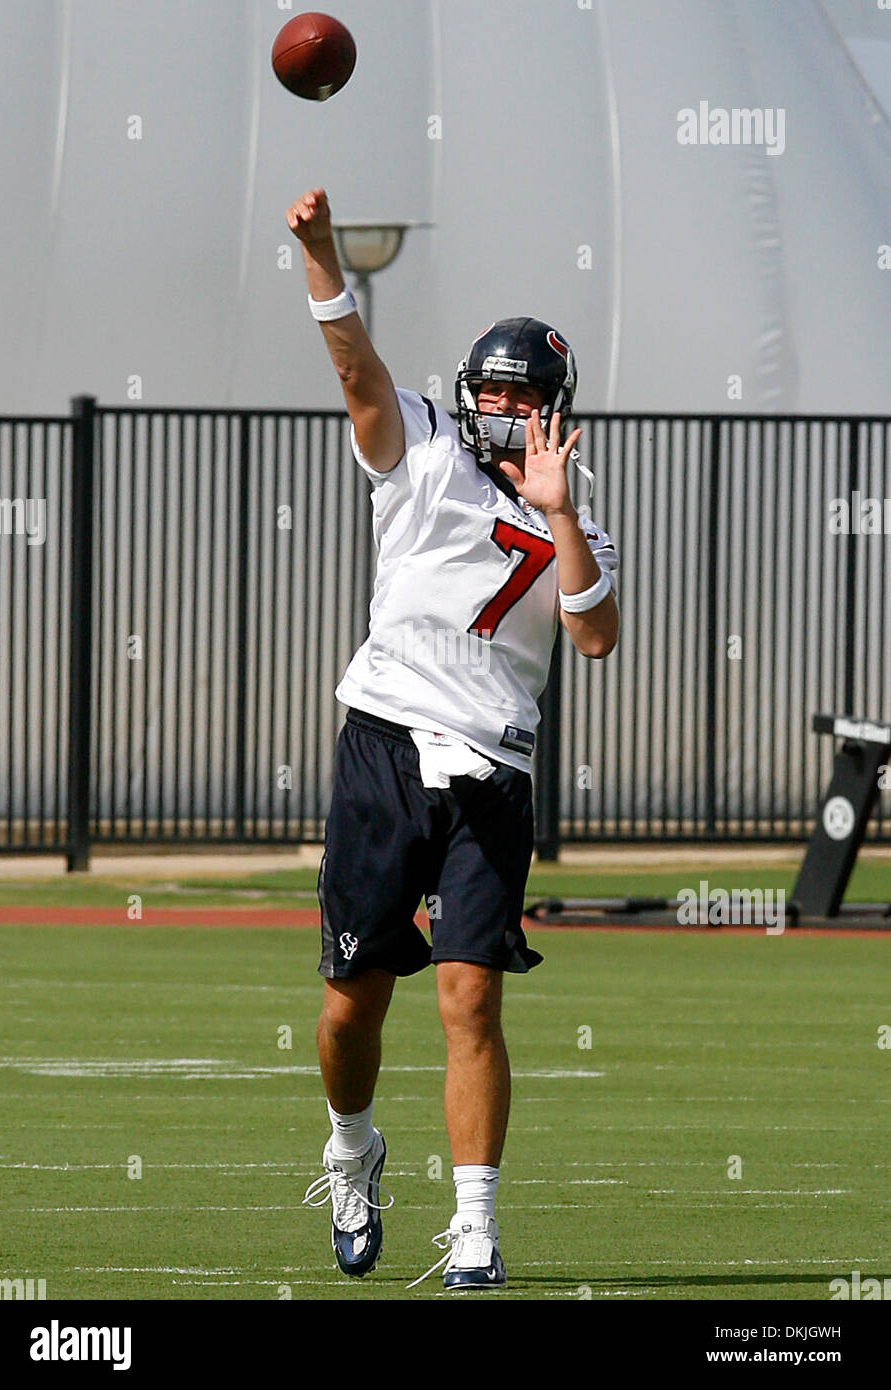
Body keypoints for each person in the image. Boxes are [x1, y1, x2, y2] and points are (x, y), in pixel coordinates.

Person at [289, 187, 619, 1290]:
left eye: (521, 395)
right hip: (384, 745)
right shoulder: (422, 441)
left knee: (470, 993)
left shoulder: (569, 512)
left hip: (492, 772)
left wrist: (560, 508)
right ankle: (352, 1144)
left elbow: (596, 635)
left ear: (553, 409)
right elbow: (354, 374)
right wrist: (322, 258)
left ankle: (475, 1226)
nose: (499, 406)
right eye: (490, 388)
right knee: (350, 1006)